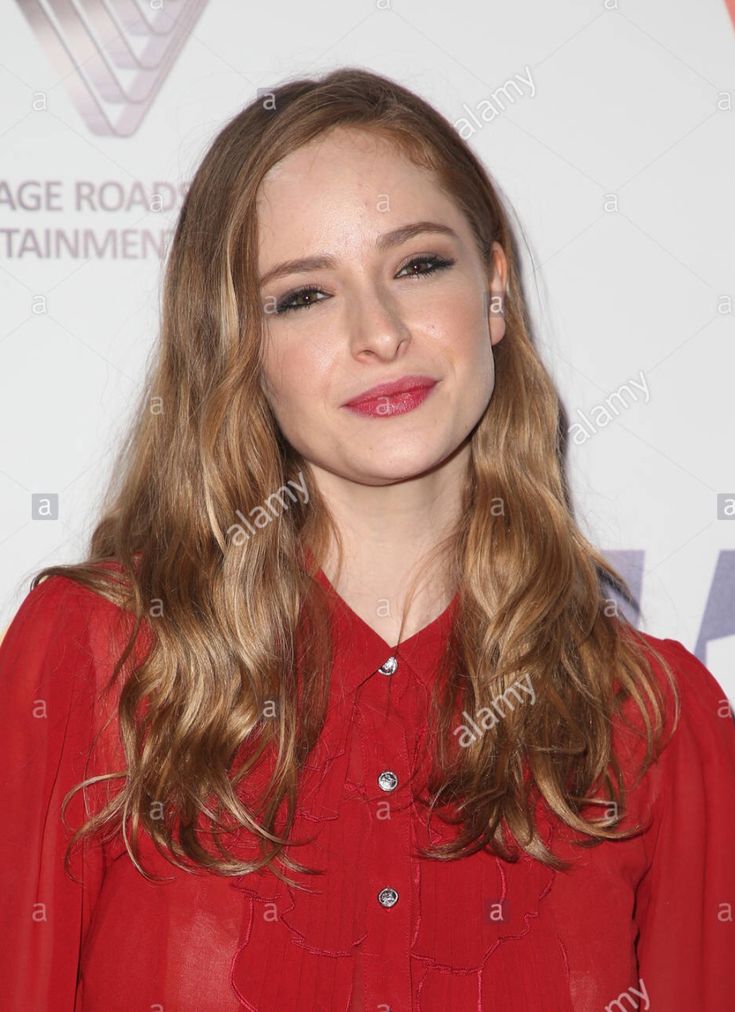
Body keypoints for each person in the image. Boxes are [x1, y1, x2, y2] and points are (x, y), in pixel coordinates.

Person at [1, 66, 734, 1012]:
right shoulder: (96, 660)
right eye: (303, 295)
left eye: (418, 265)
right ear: (236, 346)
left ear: (495, 289)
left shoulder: (657, 722)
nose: (379, 333)